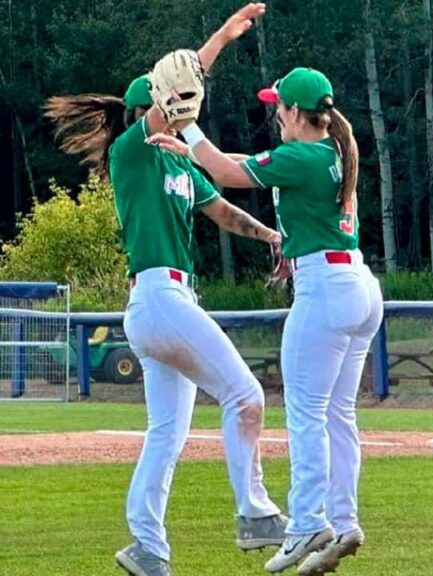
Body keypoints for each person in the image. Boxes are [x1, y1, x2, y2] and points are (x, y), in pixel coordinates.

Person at [45, 5, 290, 576]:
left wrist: (270, 237)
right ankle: (254, 513)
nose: (180, 107)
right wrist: (219, 41)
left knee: (166, 436)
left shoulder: (180, 162)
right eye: (166, 103)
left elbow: (223, 212)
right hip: (158, 297)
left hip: (171, 303)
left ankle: (147, 548)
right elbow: (178, 84)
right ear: (145, 109)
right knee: (245, 396)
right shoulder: (132, 152)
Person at [148, 66, 381, 576]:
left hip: (325, 288)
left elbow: (231, 174)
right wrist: (197, 154)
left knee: (306, 413)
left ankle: (306, 525)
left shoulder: (302, 155)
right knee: (339, 414)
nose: (276, 113)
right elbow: (239, 164)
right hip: (358, 284)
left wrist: (187, 125)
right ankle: (343, 521)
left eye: (280, 106)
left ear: (298, 113)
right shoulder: (333, 151)